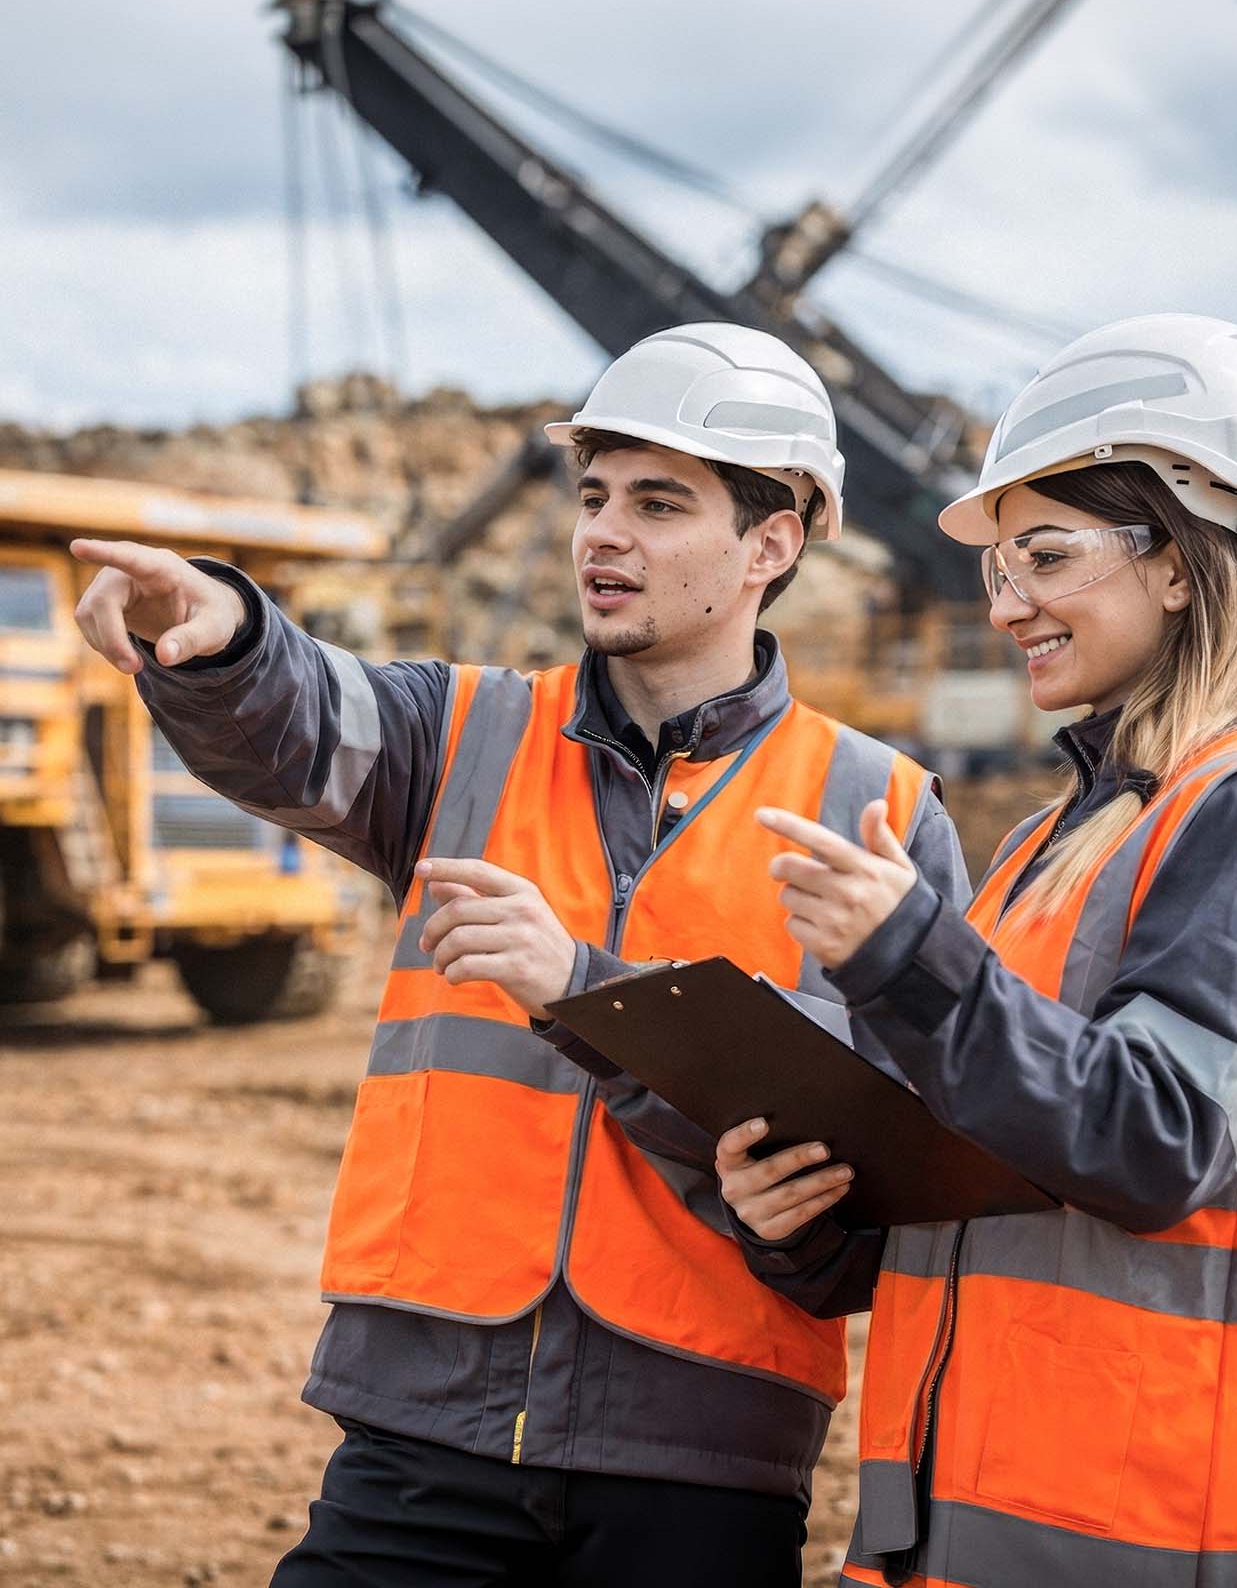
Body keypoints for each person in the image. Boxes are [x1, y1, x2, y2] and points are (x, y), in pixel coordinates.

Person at [69, 321, 970, 1587]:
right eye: (593, 496)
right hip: (423, 1423)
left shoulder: (877, 809)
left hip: (697, 1453)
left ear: (773, 542)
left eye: (659, 504)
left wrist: (585, 994)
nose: (603, 532)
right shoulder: (467, 731)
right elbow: (303, 717)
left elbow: (883, 1168)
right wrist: (218, 626)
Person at [718, 314, 1237, 1588]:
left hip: (1153, 1531)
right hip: (982, 1524)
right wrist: (811, 1225)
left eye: (1044, 554)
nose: (1006, 601)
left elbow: (1152, 1141)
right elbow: (995, 1180)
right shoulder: (1049, 841)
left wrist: (911, 958)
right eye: (998, 565)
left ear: (1185, 563)